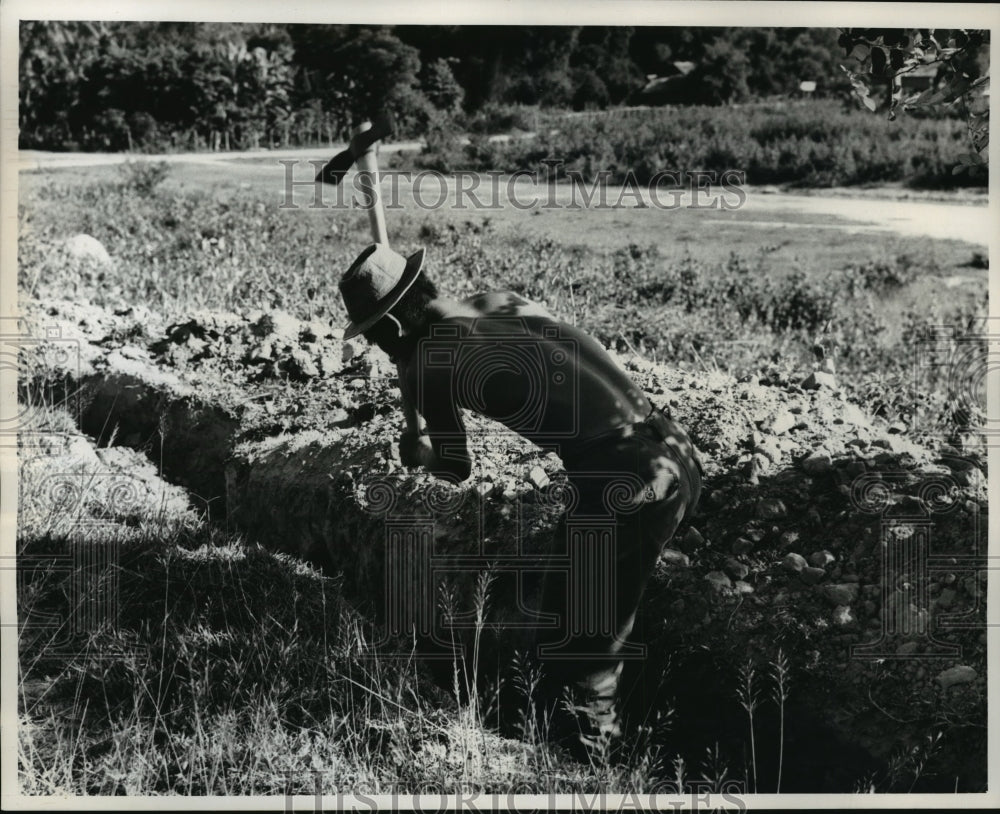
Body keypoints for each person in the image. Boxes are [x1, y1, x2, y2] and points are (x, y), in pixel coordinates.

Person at [339, 243, 703, 760]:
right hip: (673, 447)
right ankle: (585, 738)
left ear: (393, 328)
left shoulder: (426, 362)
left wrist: (419, 452)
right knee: (573, 603)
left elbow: (453, 467)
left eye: (375, 338)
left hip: (624, 479)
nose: (379, 350)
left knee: (580, 644)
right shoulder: (499, 301)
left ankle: (589, 766)